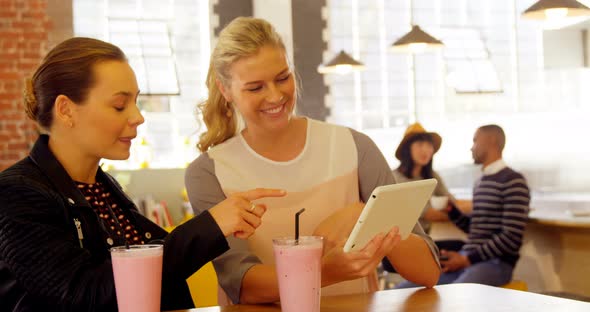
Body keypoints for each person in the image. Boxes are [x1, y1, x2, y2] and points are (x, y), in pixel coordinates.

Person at [0, 37, 285, 311]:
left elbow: (158, 267)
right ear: (66, 110)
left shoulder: (102, 187)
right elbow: (84, 294)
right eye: (119, 105)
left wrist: (218, 228)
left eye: (136, 102)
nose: (138, 116)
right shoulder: (18, 193)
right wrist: (210, 226)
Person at [185, 17, 440, 305]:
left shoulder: (355, 148)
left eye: (283, 77)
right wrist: (324, 271)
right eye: (255, 88)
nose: (275, 95)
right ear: (225, 89)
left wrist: (364, 216)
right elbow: (242, 285)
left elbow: (428, 272)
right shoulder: (209, 173)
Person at [397, 124, 530, 288]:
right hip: (469, 256)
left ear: (492, 141)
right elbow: (476, 230)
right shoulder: (480, 183)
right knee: (404, 290)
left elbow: (511, 238)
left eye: (475, 141)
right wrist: (453, 212)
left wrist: (467, 259)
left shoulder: (514, 181)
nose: (471, 148)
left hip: (495, 263)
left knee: (454, 297)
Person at [391, 122, 455, 233]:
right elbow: (430, 214)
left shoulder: (432, 176)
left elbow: (451, 201)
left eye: (429, 145)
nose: (425, 150)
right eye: (420, 144)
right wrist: (461, 216)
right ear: (407, 149)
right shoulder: (396, 179)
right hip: (407, 238)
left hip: (429, 235)